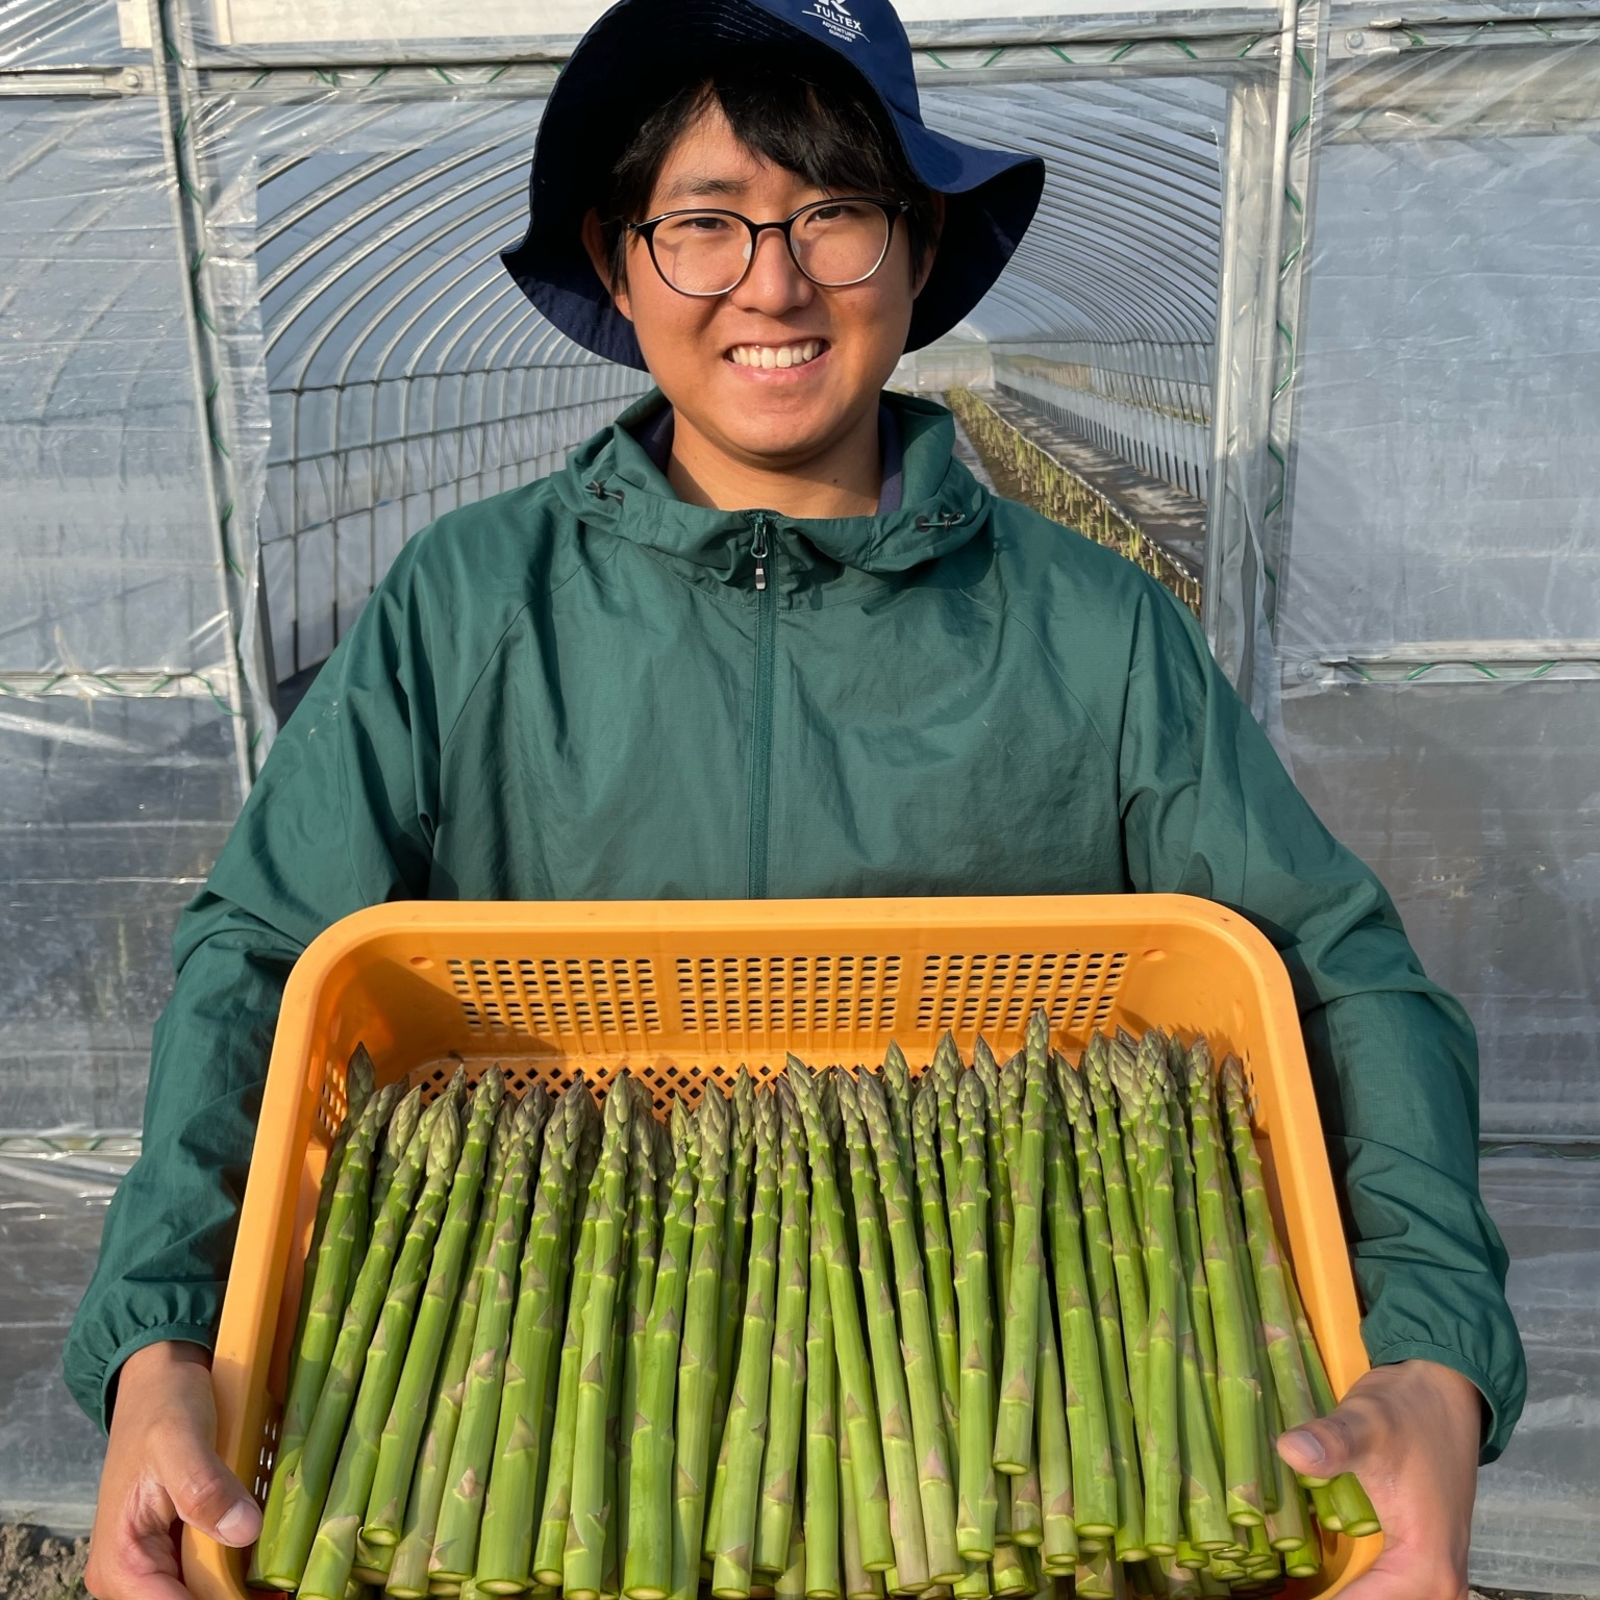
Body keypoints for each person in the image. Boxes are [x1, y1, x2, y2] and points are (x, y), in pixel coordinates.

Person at [68, 1, 1523, 1597]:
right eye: (703, 223)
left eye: (832, 212)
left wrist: (1434, 1367)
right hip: (552, 1332)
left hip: (1010, 1349)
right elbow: (262, 959)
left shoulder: (1091, 629)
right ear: (619, 265)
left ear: (916, 249)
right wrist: (161, 1354)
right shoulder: (468, 606)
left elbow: (1338, 968)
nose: (772, 280)